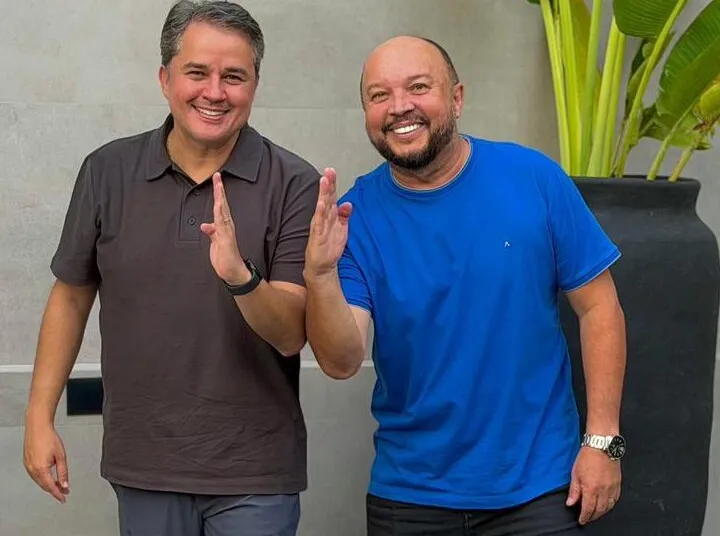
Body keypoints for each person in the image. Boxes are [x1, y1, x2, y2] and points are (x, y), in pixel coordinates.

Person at [303, 35, 627, 535]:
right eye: (379, 95)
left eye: (418, 87)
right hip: (410, 495)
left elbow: (599, 307)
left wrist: (602, 441)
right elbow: (343, 361)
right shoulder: (354, 216)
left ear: (456, 98)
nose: (399, 106)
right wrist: (320, 274)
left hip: (540, 490)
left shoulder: (533, 178)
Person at [23, 2, 319, 535]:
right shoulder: (107, 171)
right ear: (165, 79)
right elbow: (70, 296)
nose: (214, 92)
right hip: (144, 462)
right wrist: (38, 417)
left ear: (254, 85)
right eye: (197, 73)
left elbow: (291, 333)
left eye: (234, 77)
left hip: (255, 470)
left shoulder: (295, 183)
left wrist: (241, 277)